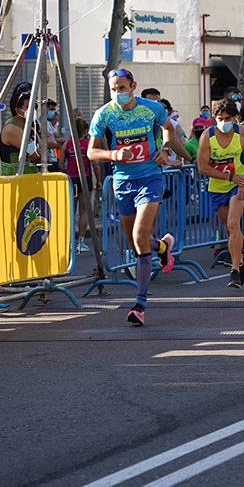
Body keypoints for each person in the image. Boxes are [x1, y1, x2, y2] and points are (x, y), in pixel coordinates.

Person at [87, 69, 178, 326]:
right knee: (134, 243)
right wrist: (114, 155)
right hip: (122, 181)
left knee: (139, 237)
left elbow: (168, 130)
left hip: (150, 177)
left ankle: (140, 304)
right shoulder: (104, 114)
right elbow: (92, 152)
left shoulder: (152, 108)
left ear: (133, 86)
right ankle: (162, 246)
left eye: (122, 88)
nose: (118, 93)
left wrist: (166, 149)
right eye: (114, 89)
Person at [198, 98, 244, 288]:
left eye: (228, 119)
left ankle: (235, 270)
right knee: (229, 228)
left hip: (239, 185)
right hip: (218, 187)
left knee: (234, 223)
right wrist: (228, 178)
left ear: (235, 118)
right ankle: (242, 261)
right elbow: (201, 167)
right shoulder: (206, 136)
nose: (224, 123)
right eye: (220, 118)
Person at [59, 118, 94, 251]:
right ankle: (81, 242)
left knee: (71, 212)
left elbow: (61, 165)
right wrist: (99, 180)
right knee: (83, 211)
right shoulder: (88, 144)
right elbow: (95, 165)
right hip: (85, 179)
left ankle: (69, 243)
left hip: (71, 180)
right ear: (85, 131)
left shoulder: (66, 145)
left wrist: (68, 173)